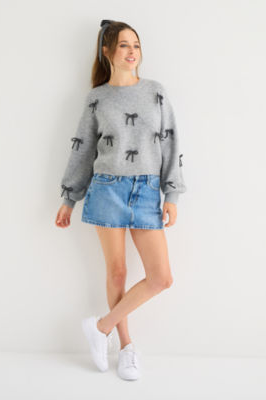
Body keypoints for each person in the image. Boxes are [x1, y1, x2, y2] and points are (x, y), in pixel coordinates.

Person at [55, 19, 187, 381]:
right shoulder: (97, 98)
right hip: (106, 189)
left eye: (136, 45)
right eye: (124, 45)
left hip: (146, 191)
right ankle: (126, 347)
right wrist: (69, 198)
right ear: (107, 51)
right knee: (117, 272)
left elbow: (170, 142)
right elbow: (82, 150)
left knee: (161, 278)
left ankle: (100, 327)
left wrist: (172, 193)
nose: (132, 52)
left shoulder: (156, 92)